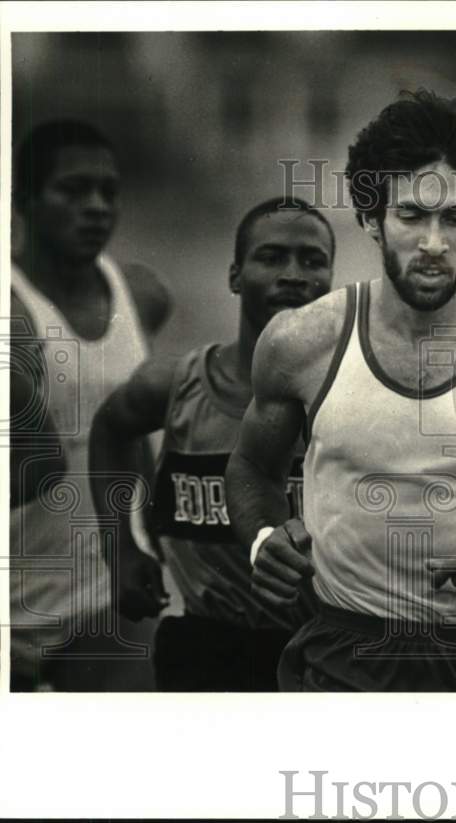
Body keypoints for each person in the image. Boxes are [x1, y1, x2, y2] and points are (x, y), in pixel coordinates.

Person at [226, 90, 456, 692]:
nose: (435, 243)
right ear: (370, 218)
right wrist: (264, 537)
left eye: (455, 218)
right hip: (346, 651)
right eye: (413, 216)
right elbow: (252, 468)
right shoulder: (303, 343)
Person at [88, 197, 334, 691]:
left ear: (332, 281)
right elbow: (111, 429)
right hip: (204, 646)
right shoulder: (179, 384)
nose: (292, 274)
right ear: (235, 275)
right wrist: (122, 548)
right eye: (271, 257)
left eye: (312, 260)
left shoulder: (346, 397)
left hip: (316, 648)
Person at [9, 119, 171, 691]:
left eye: (108, 192)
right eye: (74, 190)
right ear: (23, 199)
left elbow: (141, 433)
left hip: (111, 590)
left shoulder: (144, 296)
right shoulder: (13, 315)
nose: (97, 207)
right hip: (14, 603)